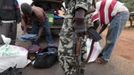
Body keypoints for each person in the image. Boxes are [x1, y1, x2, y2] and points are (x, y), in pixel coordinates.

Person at [58, 0, 101, 75]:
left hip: (76, 17)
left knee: (67, 54)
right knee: (80, 50)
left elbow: (82, 6)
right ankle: (79, 71)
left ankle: (73, 72)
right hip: (80, 15)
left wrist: (79, 14)